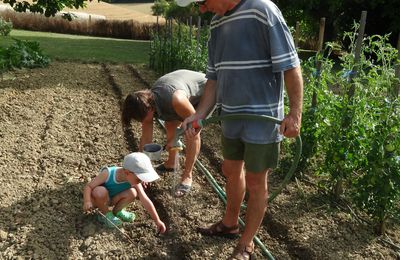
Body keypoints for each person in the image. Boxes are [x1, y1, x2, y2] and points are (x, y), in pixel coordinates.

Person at [176, 0, 304, 259]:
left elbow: (290, 65)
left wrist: (294, 113)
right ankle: (230, 224)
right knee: (231, 171)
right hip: (231, 117)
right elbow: (214, 77)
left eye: (201, 2)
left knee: (257, 181)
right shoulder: (217, 22)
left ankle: (246, 244)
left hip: (263, 118)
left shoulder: (262, 9)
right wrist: (199, 114)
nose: (201, 9)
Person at [121, 69, 207, 197]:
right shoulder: (146, 104)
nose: (142, 122)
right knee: (170, 123)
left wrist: (176, 138)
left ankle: (187, 176)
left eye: (142, 119)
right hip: (177, 90)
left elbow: (196, 126)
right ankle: (172, 163)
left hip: (204, 92)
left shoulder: (176, 100)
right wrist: (139, 170)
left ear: (150, 109)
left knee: (191, 133)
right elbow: (145, 139)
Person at [82, 152, 167, 233]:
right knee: (99, 191)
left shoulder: (133, 179)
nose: (141, 181)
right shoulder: (108, 174)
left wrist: (157, 220)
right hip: (99, 200)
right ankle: (105, 214)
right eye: (139, 178)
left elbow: (144, 199)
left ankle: (117, 211)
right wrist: (87, 201)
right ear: (127, 173)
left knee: (133, 192)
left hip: (112, 199)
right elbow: (88, 186)